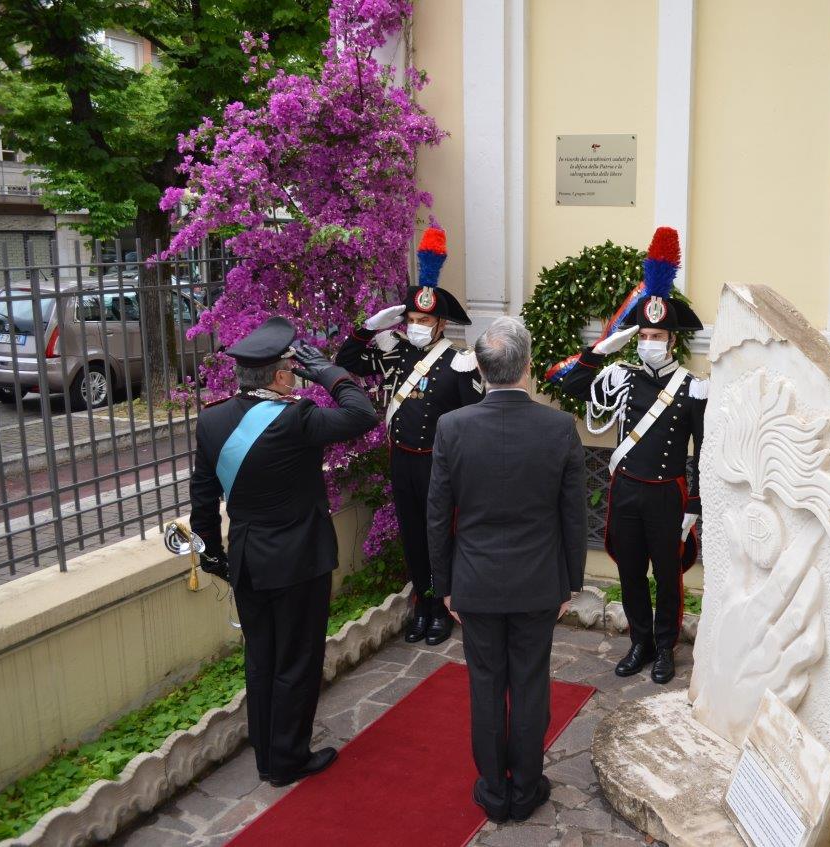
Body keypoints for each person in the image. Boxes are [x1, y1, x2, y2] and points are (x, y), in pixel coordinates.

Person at [190, 317, 378, 787]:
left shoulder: (212, 419)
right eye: (291, 369)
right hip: (298, 561)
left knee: (262, 658)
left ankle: (267, 756)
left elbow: (202, 495)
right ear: (278, 377)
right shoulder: (297, 418)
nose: (295, 375)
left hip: (248, 559)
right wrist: (330, 372)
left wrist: (213, 554)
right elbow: (362, 414)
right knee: (296, 660)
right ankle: (288, 760)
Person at [427, 316, 587, 824]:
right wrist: (571, 582)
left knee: (486, 685)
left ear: (479, 367)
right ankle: (527, 784)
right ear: (528, 367)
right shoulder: (559, 427)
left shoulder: (452, 427)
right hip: (539, 581)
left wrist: (445, 586)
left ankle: (494, 790)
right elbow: (574, 515)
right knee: (531, 682)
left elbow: (437, 515)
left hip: (474, 582)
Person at [557, 226, 705, 685]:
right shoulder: (620, 375)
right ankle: (639, 641)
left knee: (668, 575)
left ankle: (664, 647)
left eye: (657, 335)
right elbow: (569, 385)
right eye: (643, 334)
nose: (649, 341)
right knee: (632, 572)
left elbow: (702, 452)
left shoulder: (694, 388)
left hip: (668, 497)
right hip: (627, 491)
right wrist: (601, 350)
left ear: (673, 340)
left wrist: (694, 506)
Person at [336, 225, 484, 646]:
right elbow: (348, 360)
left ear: (440, 323)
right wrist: (367, 328)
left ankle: (441, 608)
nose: (417, 326)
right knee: (413, 535)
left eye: (425, 320)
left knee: (441, 536)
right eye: (412, 319)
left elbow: (472, 421)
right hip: (402, 459)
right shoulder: (395, 350)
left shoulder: (460, 361)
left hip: (440, 464)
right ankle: (422, 602)